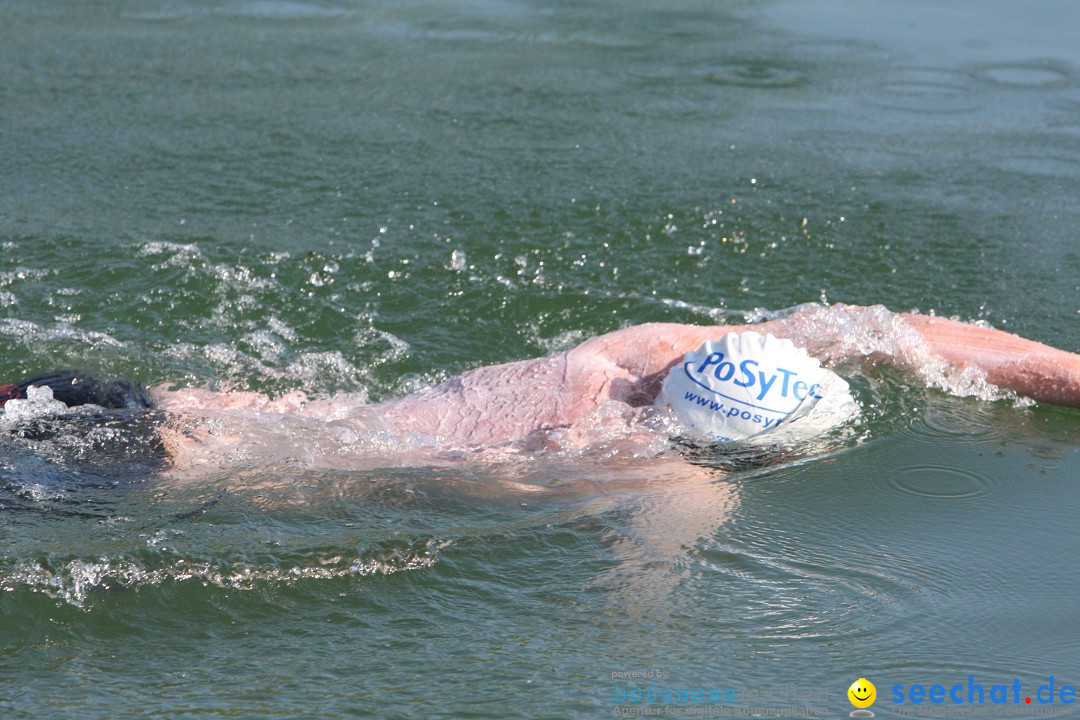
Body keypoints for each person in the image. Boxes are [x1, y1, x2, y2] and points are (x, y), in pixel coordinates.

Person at [3, 303, 1079, 476]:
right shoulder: (652, 477)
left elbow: (885, 328)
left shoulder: (636, 348)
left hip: (145, 409)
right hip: (143, 475)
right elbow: (632, 622)